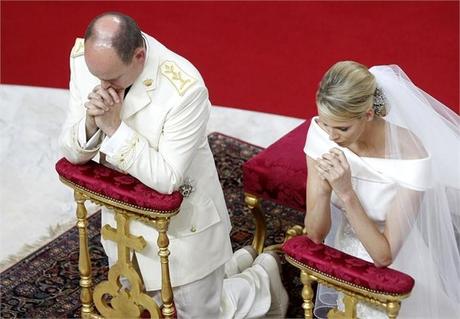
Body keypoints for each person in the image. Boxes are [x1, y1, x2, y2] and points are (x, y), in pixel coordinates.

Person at [59, 12, 287, 318]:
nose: (101, 86)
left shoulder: (184, 89)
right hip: (123, 219)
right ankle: (235, 265)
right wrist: (90, 122)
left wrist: (114, 130)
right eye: (96, 75)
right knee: (140, 299)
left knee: (201, 313)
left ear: (139, 56)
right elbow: (73, 152)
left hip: (184, 224)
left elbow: (167, 178)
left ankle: (263, 280)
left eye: (112, 79)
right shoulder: (87, 61)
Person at [303, 61, 460, 318]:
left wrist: (346, 193)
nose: (331, 136)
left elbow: (383, 256)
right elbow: (316, 235)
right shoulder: (323, 134)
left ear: (367, 114)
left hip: (394, 265)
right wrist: (321, 188)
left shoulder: (412, 156)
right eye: (326, 122)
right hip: (346, 254)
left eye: (342, 128)